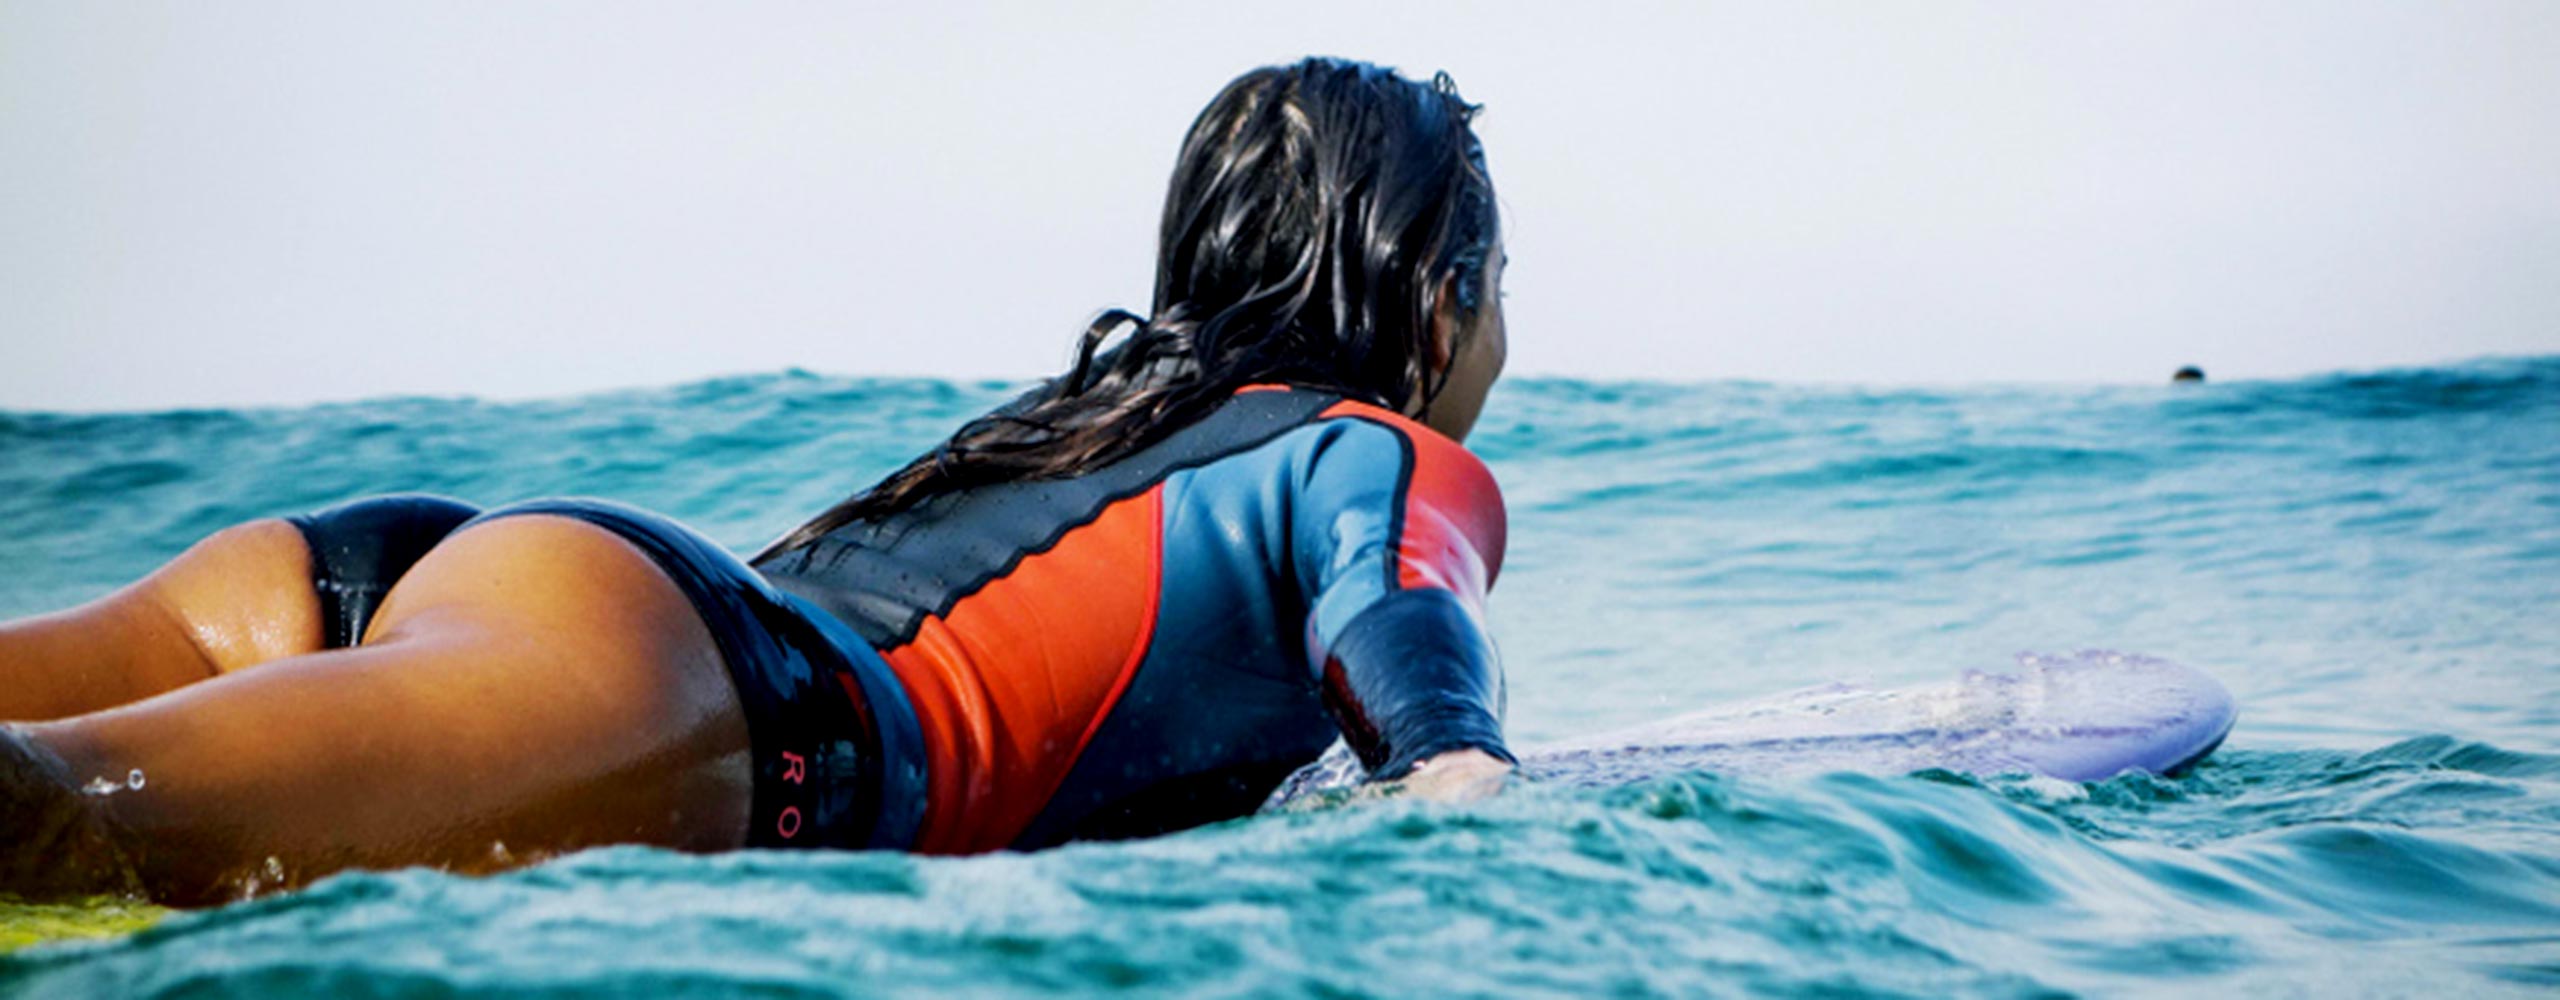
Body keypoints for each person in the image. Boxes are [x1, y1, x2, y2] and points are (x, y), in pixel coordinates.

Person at [0, 57, 1517, 905]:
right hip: (683, 709)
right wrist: (1471, 785)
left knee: (39, 797)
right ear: (1438, 303)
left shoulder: (1078, 429)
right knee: (55, 827)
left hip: (453, 587)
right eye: (1502, 283)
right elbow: (1407, 647)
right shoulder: (1373, 453)